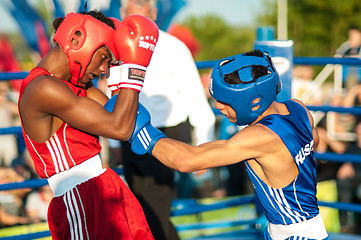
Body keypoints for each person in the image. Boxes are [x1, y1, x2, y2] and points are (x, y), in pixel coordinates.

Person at [117, 49, 329, 239]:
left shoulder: (261, 136)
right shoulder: (297, 108)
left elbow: (187, 160)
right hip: (309, 228)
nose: (218, 106)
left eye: (225, 100)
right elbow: (314, 141)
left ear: (252, 101)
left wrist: (141, 132)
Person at [18, 10, 159, 239]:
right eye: (104, 57)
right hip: (79, 199)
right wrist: (135, 68)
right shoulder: (43, 88)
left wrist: (118, 73)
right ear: (76, 39)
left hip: (106, 186)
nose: (104, 69)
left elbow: (128, 118)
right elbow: (120, 128)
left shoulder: (80, 85)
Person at [107, 0, 215, 239]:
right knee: (140, 207)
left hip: (165, 132)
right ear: (122, 12)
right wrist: (114, 141)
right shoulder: (116, 44)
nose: (136, 10)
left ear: (154, 12)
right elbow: (111, 92)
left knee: (154, 207)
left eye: (141, 4)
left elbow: (194, 95)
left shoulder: (173, 47)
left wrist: (202, 143)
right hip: (128, 130)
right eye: (131, 6)